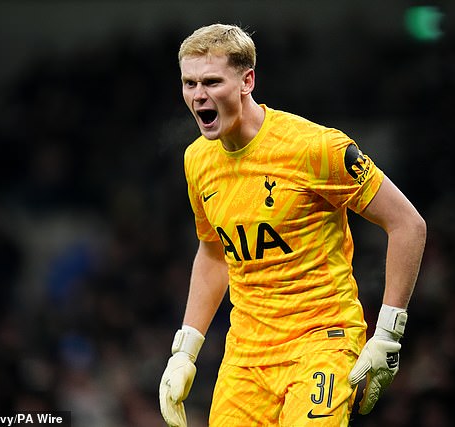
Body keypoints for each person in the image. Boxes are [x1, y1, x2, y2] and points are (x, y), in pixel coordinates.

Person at [159, 23, 426, 427]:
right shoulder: (197, 160)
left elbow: (408, 223)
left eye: (212, 82)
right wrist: (185, 349)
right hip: (246, 357)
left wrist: (388, 333)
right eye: (189, 83)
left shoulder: (314, 148)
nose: (199, 96)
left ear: (247, 80)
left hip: (321, 341)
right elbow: (214, 250)